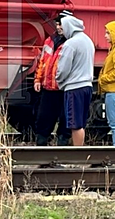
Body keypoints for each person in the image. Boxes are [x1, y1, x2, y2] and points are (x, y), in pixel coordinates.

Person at [33, 10, 73, 146]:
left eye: (61, 24)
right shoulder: (49, 41)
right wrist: (37, 79)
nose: (58, 27)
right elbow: (42, 61)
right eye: (57, 23)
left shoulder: (73, 43)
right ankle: (41, 144)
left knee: (65, 119)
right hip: (48, 87)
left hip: (64, 88)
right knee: (43, 117)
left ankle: (62, 145)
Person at [56, 16, 95, 146]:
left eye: (62, 26)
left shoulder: (70, 44)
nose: (61, 29)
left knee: (75, 124)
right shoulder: (88, 41)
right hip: (87, 86)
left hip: (74, 87)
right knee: (81, 123)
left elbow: (63, 69)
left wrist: (59, 81)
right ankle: (79, 150)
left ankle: (78, 154)